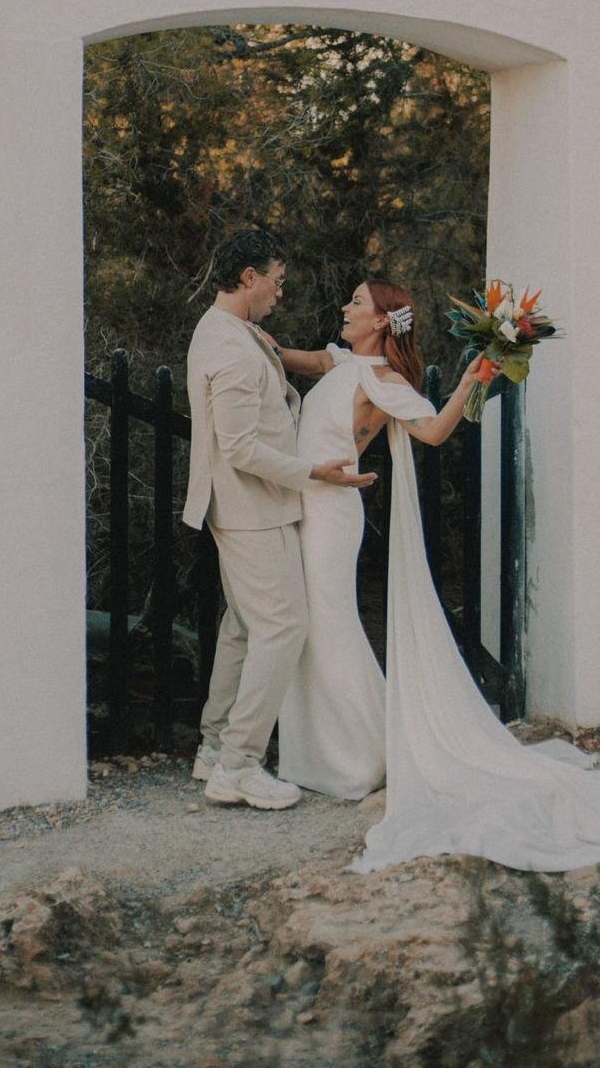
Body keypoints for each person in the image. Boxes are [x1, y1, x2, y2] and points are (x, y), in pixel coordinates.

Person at [269, 279, 600, 872]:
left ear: (382, 321)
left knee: (329, 626)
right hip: (303, 505)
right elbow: (290, 358)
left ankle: (356, 757)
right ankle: (328, 752)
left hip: (332, 516)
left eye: (357, 303)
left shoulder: (380, 381)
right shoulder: (340, 362)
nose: (345, 308)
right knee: (312, 624)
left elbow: (433, 431)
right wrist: (250, 337)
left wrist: (467, 381)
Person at [183, 227, 376, 811]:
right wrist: (315, 472)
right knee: (284, 625)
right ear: (249, 278)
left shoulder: (233, 333)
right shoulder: (232, 347)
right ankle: (238, 765)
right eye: (277, 281)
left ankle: (215, 750)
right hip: (250, 509)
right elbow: (240, 447)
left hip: (245, 505)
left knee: (243, 627)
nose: (280, 293)